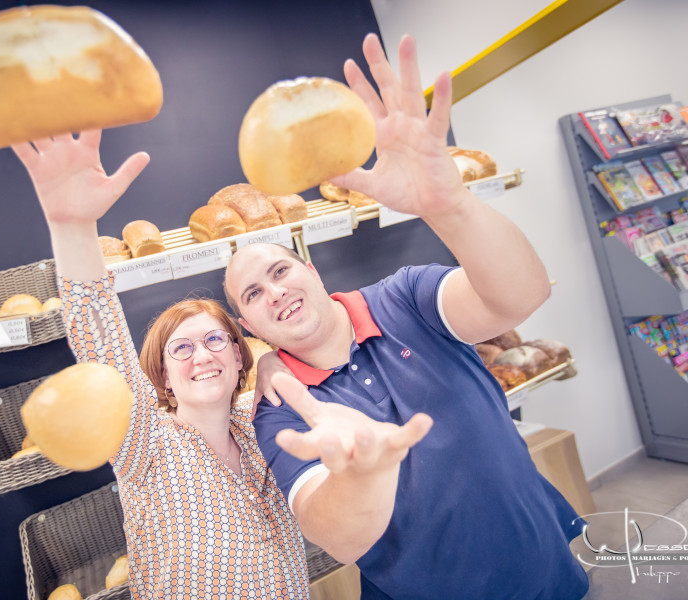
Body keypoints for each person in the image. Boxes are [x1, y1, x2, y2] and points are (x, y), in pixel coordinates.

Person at [223, 33, 590, 599]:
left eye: (280, 271)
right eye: (252, 295)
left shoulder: (405, 296)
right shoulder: (281, 411)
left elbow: (521, 295)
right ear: (251, 328)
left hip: (543, 567)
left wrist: (451, 204)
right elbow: (338, 538)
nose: (273, 292)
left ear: (314, 273)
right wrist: (363, 474)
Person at [11, 132, 309, 599]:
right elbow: (101, 343)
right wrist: (71, 225)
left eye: (215, 340)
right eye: (182, 349)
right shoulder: (146, 445)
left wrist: (273, 359)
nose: (204, 355)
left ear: (236, 354)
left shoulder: (262, 426)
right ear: (164, 377)